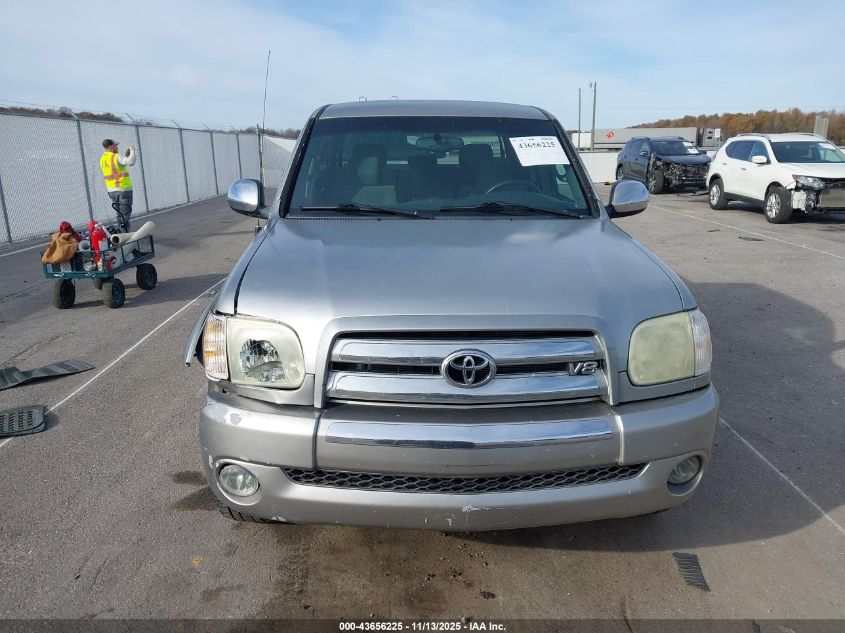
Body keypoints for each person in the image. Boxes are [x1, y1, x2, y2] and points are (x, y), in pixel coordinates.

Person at [100, 139, 137, 232]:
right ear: (111, 146)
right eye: (115, 145)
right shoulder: (116, 156)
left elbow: (118, 166)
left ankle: (120, 234)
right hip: (123, 189)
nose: (117, 147)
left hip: (112, 191)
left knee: (119, 214)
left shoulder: (103, 159)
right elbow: (131, 162)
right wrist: (132, 151)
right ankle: (125, 237)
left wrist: (126, 156)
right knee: (125, 214)